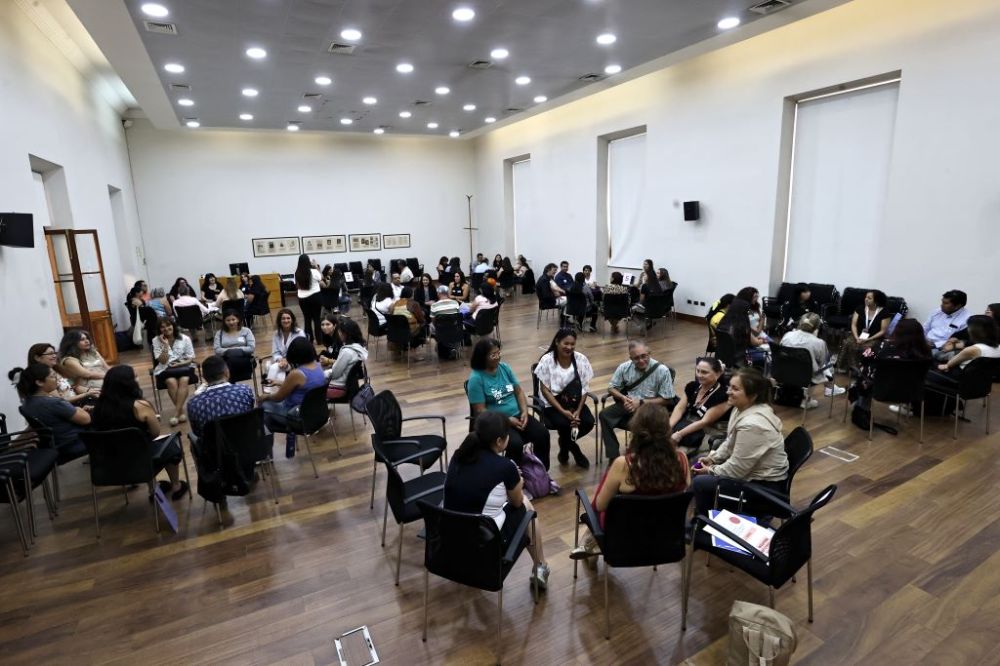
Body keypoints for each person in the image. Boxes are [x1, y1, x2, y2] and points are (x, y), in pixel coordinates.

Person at [570, 403, 691, 564]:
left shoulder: (624, 464)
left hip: (624, 535)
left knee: (607, 490)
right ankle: (591, 539)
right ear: (667, 430)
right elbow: (684, 492)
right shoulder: (681, 459)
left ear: (636, 430)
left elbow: (600, 506)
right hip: (665, 535)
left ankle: (591, 539)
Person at [444, 411, 551, 590]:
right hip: (484, 546)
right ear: (500, 441)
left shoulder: (459, 455)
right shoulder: (505, 467)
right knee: (526, 505)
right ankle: (541, 566)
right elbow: (516, 503)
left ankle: (541, 566)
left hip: (451, 540)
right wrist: (520, 481)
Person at [691, 368, 789, 516]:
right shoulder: (741, 408)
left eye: (735, 388)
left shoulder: (753, 425)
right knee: (701, 461)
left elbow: (737, 470)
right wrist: (713, 458)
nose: (728, 391)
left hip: (763, 487)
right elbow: (731, 441)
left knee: (700, 482)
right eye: (729, 386)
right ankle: (705, 512)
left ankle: (703, 523)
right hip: (752, 473)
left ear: (753, 395)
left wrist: (711, 470)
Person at [91, 365, 188, 500]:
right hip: (141, 458)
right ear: (129, 383)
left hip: (110, 462)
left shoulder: (98, 408)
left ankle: (153, 488)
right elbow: (155, 433)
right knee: (168, 444)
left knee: (136, 445)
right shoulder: (140, 406)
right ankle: (176, 485)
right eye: (135, 377)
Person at [467, 339, 551, 469]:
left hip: (517, 416)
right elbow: (480, 411)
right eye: (493, 355)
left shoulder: (504, 368)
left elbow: (518, 392)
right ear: (482, 357)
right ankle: (511, 479)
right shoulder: (476, 379)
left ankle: (541, 473)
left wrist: (524, 412)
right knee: (515, 444)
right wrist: (507, 420)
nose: (497, 357)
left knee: (542, 434)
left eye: (498, 353)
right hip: (496, 423)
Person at [599, 341, 676, 461]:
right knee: (604, 415)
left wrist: (639, 403)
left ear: (649, 354)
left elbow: (667, 399)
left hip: (651, 408)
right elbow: (611, 387)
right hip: (628, 403)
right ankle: (613, 457)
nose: (640, 361)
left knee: (640, 423)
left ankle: (640, 455)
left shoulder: (662, 370)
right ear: (631, 358)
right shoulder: (624, 367)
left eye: (643, 356)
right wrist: (623, 398)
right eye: (636, 358)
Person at [533, 329, 594, 468]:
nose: (570, 347)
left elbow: (584, 388)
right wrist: (563, 411)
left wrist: (578, 411)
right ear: (557, 342)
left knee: (588, 422)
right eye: (566, 343)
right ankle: (575, 450)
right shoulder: (547, 360)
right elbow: (545, 390)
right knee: (564, 424)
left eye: (573, 344)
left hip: (574, 401)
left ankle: (565, 444)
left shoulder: (581, 359)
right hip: (552, 403)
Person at [259, 337, 327, 458]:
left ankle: (265, 452)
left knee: (262, 408)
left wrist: (264, 397)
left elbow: (278, 397)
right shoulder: (318, 366)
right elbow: (304, 386)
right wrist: (280, 383)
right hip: (316, 412)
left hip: (296, 416)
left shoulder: (297, 373)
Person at [12, 363, 90, 462]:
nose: (57, 379)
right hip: (74, 442)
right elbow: (86, 420)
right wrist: (79, 410)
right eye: (53, 376)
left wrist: (77, 410)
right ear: (40, 382)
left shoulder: (27, 403)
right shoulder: (53, 402)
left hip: (57, 443)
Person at [853, 318, 932, 412]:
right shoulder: (927, 353)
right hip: (912, 394)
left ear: (897, 331)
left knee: (864, 372)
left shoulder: (881, 346)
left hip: (881, 391)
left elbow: (864, 358)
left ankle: (862, 409)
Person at [924, 315, 1000, 411]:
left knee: (922, 370)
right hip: (982, 386)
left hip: (959, 383)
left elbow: (948, 365)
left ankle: (921, 407)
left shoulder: (973, 350)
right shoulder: (998, 348)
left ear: (974, 331)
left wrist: (944, 365)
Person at [668, 357, 731, 457]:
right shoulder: (692, 386)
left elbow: (705, 422)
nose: (699, 375)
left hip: (709, 430)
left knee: (677, 455)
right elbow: (679, 409)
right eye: (698, 371)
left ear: (718, 374)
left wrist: (679, 435)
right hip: (688, 424)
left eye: (704, 372)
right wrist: (668, 427)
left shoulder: (724, 395)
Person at [186, 355, 255, 444]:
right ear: (227, 372)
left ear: (204, 377)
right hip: (248, 446)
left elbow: (198, 433)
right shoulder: (245, 390)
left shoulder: (193, 404)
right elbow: (250, 415)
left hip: (215, 454)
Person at [780, 312, 844, 408]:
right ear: (817, 327)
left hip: (783, 371)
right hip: (805, 376)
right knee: (827, 365)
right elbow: (822, 362)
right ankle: (826, 389)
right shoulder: (819, 342)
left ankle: (828, 388)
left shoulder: (788, 335)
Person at [152, 317, 196, 426]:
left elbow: (191, 357)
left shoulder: (185, 338)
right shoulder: (156, 340)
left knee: (184, 380)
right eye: (162, 327)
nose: (166, 328)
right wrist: (165, 345)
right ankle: (181, 412)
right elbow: (162, 361)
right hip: (166, 369)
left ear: (173, 325)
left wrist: (179, 364)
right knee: (171, 382)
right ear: (159, 329)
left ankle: (176, 414)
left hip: (184, 366)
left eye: (168, 325)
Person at [22, 342, 98, 404]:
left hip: (78, 403)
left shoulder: (57, 369)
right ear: (37, 358)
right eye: (50, 354)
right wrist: (85, 394)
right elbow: (59, 402)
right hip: (69, 409)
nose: (54, 356)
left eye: (55, 353)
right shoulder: (41, 378)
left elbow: (72, 388)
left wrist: (90, 391)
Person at [837, 289, 891, 372]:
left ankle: (863, 369)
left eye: (869, 298)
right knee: (847, 342)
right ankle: (845, 367)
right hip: (858, 335)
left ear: (876, 301)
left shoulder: (884, 312)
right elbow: (853, 324)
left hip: (874, 338)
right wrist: (856, 337)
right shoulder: (860, 308)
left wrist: (868, 339)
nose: (866, 299)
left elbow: (883, 331)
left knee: (868, 348)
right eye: (866, 297)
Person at [717, 298, 769, 367]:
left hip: (725, 356)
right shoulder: (742, 324)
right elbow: (755, 343)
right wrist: (763, 340)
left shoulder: (723, 322)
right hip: (742, 356)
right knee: (769, 355)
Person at [326, 319, 368, 398]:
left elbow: (335, 373)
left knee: (311, 386)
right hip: (350, 385)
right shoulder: (360, 347)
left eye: (339, 332)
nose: (338, 334)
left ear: (345, 334)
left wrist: (324, 373)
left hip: (338, 387)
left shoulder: (347, 352)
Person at [924, 289, 971, 356]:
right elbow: (925, 328)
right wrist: (922, 341)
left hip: (943, 348)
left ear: (958, 306)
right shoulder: (936, 312)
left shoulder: (967, 319)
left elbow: (958, 340)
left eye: (945, 303)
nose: (941, 305)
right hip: (925, 343)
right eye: (942, 302)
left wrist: (934, 345)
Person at [267, 308, 308, 384]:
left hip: (296, 362)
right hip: (281, 362)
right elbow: (275, 352)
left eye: (288, 318)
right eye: (283, 319)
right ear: (279, 321)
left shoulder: (299, 332)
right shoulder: (276, 334)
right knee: (279, 372)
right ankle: (279, 392)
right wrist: (280, 360)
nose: (286, 321)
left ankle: (269, 391)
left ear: (292, 320)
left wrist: (288, 360)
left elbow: (303, 352)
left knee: (273, 368)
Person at [213, 311, 256, 380]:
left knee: (233, 361)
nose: (231, 322)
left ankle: (232, 381)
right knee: (229, 362)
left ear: (238, 320)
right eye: (228, 320)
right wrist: (230, 352)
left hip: (244, 357)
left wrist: (234, 350)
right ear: (224, 321)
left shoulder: (246, 331)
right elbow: (217, 350)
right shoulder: (219, 333)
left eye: (233, 319)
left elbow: (251, 348)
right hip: (226, 359)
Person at [295, 254, 324, 342]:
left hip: (302, 299)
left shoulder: (297, 273)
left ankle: (309, 339)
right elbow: (321, 278)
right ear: (308, 261)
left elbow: (297, 286)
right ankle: (319, 339)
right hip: (315, 296)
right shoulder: (314, 271)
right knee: (317, 318)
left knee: (307, 319)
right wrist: (316, 266)